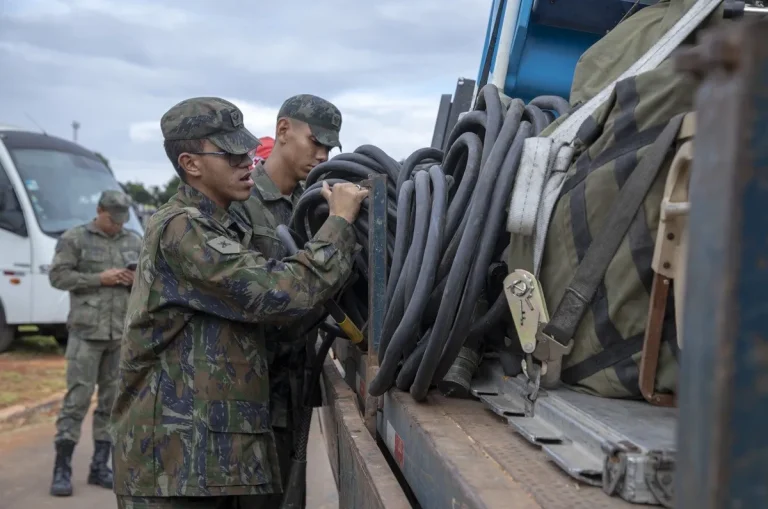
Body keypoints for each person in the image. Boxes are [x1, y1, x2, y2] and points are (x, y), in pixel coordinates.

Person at [109, 96, 367, 509]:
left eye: (245, 150)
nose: (247, 161)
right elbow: (275, 292)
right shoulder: (182, 229)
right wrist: (338, 222)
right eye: (231, 155)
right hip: (172, 467)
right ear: (191, 164)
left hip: (205, 463)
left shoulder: (222, 224)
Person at [232, 94, 343, 504]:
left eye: (329, 147)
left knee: (290, 498)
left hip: (293, 387)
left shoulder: (309, 206)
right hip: (249, 395)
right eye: (315, 142)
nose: (322, 155)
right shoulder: (241, 204)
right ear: (283, 131)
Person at [47, 189, 142, 497]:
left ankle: (100, 466)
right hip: (86, 334)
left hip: (119, 336)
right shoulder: (75, 238)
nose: (117, 225)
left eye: (121, 220)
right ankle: (62, 468)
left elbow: (150, 282)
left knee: (111, 404)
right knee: (76, 400)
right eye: (112, 219)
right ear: (100, 211)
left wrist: (135, 281)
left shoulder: (134, 242)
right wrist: (98, 278)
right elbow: (58, 277)